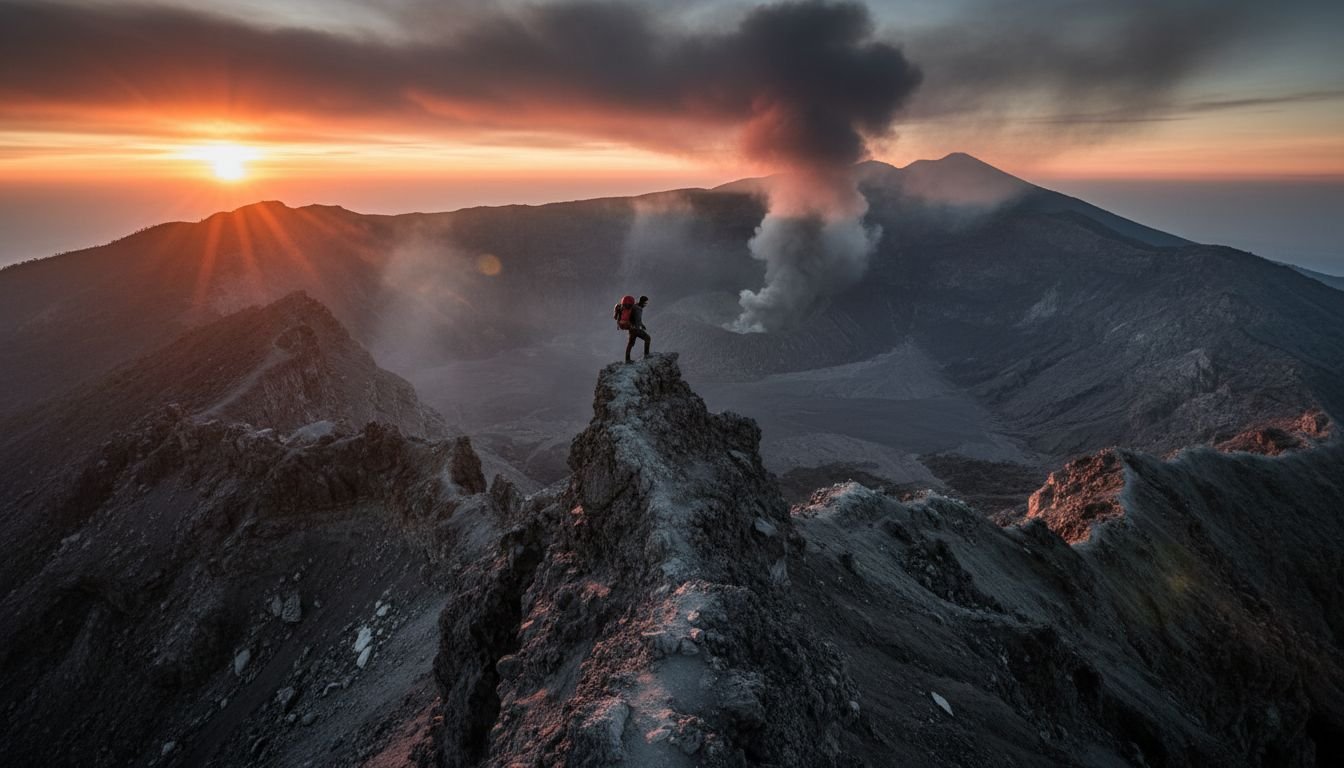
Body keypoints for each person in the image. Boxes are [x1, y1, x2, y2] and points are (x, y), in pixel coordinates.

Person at [625, 295, 651, 363]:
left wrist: (642, 325)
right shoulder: (638, 309)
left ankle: (627, 360)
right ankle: (646, 355)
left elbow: (636, 319)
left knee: (630, 344)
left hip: (632, 329)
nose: (645, 305)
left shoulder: (634, 306)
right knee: (647, 338)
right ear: (642, 302)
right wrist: (640, 325)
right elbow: (637, 319)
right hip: (635, 329)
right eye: (645, 303)